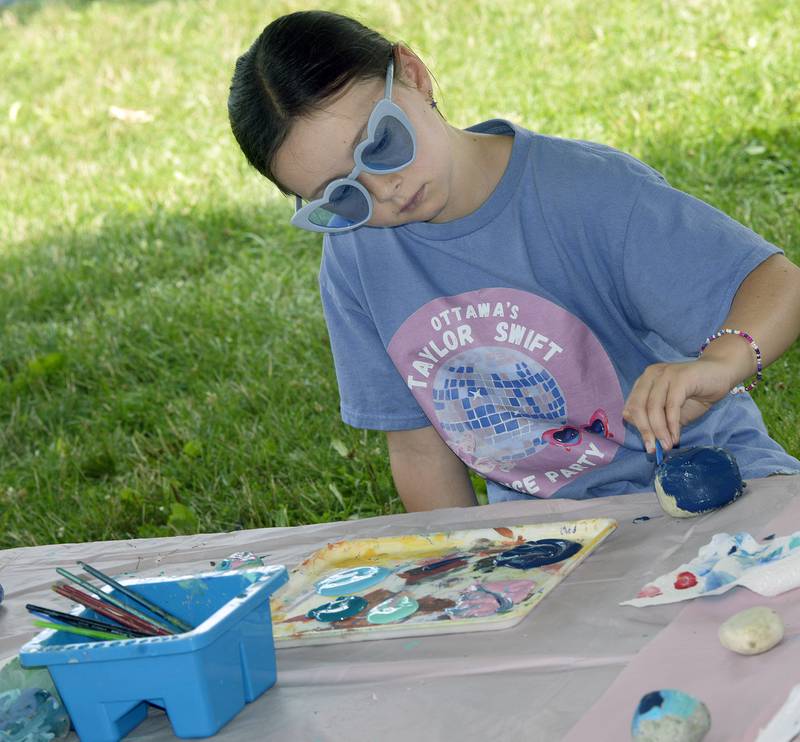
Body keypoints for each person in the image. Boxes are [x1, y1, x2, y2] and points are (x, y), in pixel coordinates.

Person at [227, 10, 800, 510]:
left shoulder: (583, 193)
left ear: (414, 74)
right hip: (552, 534)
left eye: (380, 144)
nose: (385, 190)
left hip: (718, 483)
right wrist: (460, 570)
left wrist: (722, 364)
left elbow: (778, 283)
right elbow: (419, 449)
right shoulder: (355, 254)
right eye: (341, 197)